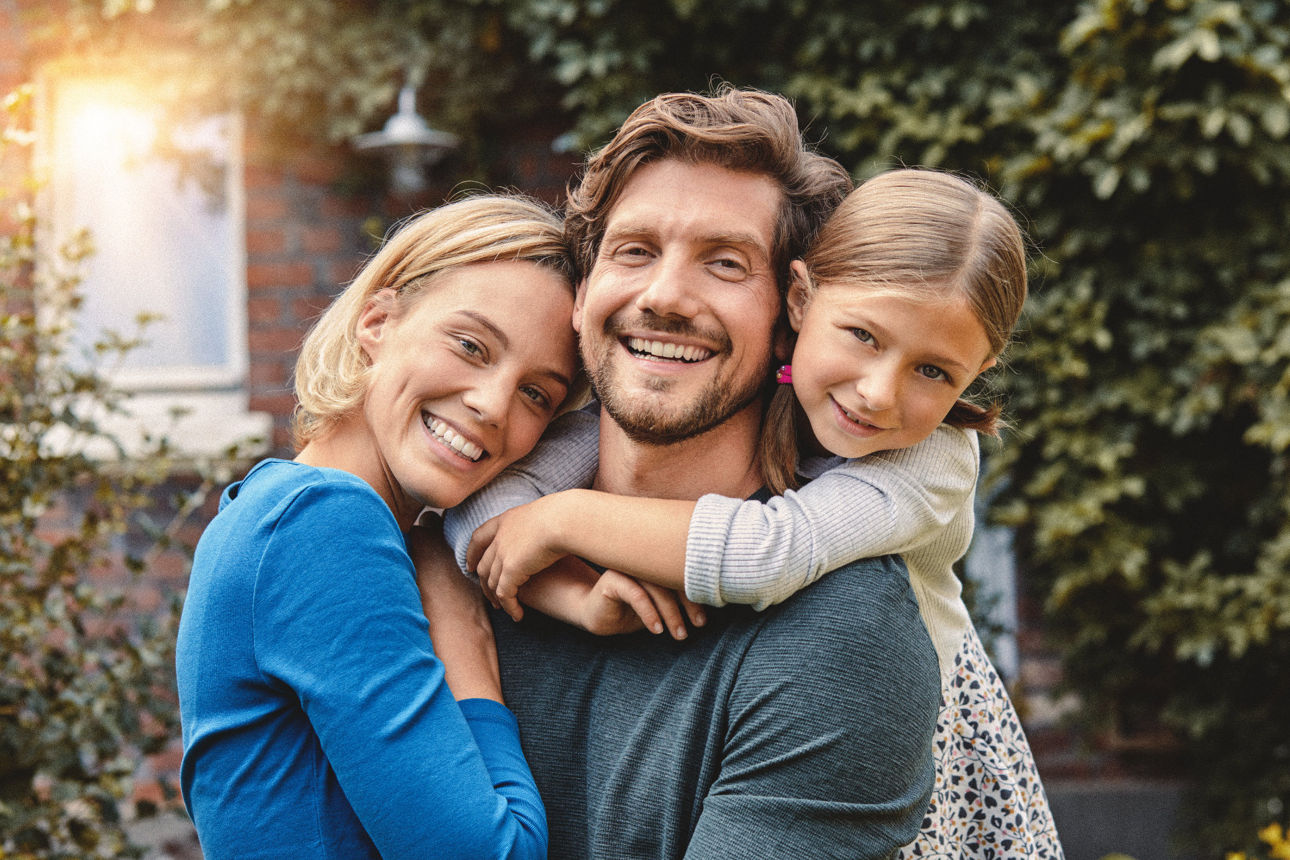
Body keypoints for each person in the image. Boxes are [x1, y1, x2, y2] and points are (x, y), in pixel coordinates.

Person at [452, 169, 1064, 857]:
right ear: (802, 304)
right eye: (862, 335)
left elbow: (768, 553)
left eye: (934, 373)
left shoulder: (926, 457)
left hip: (925, 744)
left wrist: (564, 519)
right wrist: (569, 594)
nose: (878, 394)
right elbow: (486, 512)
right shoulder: (715, 403)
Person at [175, 194, 584, 859]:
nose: (492, 405)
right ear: (378, 321)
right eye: (471, 345)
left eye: (537, 393)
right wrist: (470, 652)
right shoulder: (324, 522)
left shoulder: (269, 510)